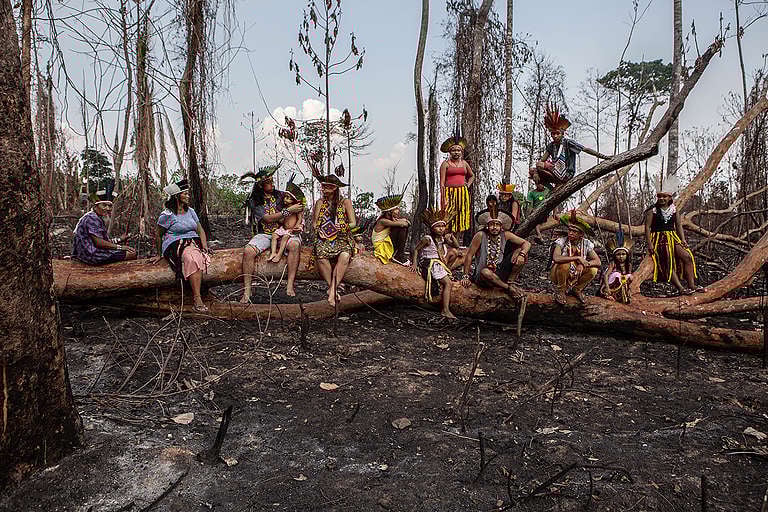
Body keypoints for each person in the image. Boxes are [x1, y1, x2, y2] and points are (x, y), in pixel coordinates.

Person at [461, 206, 529, 335]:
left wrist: (522, 254)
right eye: (491, 224)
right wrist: (465, 275)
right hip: (483, 275)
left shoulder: (506, 235)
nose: (494, 227)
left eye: (497, 224)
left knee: (520, 251)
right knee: (486, 272)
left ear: (501, 226)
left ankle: (511, 282)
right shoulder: (480, 235)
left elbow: (527, 243)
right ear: (487, 226)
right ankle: (508, 288)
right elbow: (469, 256)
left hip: (499, 272)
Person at [240, 165, 304, 301]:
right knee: (248, 251)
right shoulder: (254, 200)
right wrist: (289, 211)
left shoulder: (281, 195)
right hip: (265, 234)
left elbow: (298, 203)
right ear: (261, 185)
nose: (272, 184)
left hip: (285, 232)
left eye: (272, 181)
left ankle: (290, 285)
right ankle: (247, 291)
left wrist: (298, 224)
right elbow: (267, 219)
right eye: (269, 182)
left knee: (295, 246)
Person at [156, 179, 212, 312]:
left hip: (192, 241)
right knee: (192, 259)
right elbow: (159, 235)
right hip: (175, 243)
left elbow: (200, 230)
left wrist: (204, 246)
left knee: (196, 255)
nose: (188, 196)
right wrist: (159, 254)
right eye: (185, 193)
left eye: (188, 193)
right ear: (177, 196)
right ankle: (197, 298)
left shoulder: (190, 211)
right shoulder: (167, 215)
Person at [644, 174, 703, 295]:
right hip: (659, 238)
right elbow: (647, 227)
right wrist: (649, 244)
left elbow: (678, 225)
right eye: (659, 196)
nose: (662, 199)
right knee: (667, 261)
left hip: (672, 236)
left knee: (687, 256)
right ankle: (681, 288)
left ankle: (691, 285)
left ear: (670, 197)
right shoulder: (652, 211)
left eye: (664, 196)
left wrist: (683, 240)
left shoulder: (674, 209)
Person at [529, 104, 611, 190]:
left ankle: (559, 185)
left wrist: (604, 157)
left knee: (540, 167)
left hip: (567, 174)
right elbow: (541, 161)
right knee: (533, 170)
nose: (555, 136)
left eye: (557, 133)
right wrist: (536, 172)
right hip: (555, 173)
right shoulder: (551, 145)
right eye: (553, 134)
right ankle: (553, 190)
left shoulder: (568, 142)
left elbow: (585, 149)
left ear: (562, 133)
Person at [312, 173, 358, 306]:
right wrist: (319, 230)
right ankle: (332, 287)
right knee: (320, 255)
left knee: (344, 256)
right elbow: (314, 223)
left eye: (326, 187)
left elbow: (353, 223)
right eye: (323, 186)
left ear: (334, 188)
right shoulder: (320, 203)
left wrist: (342, 226)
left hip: (342, 237)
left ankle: (332, 291)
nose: (323, 189)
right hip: (324, 238)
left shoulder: (345, 202)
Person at [411, 207, 459, 319]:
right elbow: (416, 250)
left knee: (455, 252)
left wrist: (451, 236)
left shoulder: (442, 238)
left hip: (439, 262)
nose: (441, 229)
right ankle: (445, 310)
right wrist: (414, 263)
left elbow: (456, 245)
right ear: (432, 228)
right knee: (448, 284)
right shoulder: (427, 239)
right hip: (430, 263)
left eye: (443, 226)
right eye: (438, 226)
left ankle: (446, 272)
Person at [72, 187, 137, 265]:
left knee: (129, 252)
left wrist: (119, 239)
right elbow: (99, 243)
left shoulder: (96, 217)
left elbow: (102, 240)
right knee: (132, 254)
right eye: (104, 205)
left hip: (88, 253)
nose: (107, 208)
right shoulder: (92, 218)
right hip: (91, 255)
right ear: (96, 206)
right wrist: (120, 247)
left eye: (109, 206)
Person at [550, 211, 601, 305]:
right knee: (565, 264)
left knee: (593, 270)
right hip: (559, 273)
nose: (570, 233)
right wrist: (577, 258)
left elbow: (598, 262)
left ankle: (577, 289)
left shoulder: (586, 243)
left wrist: (583, 264)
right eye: (570, 230)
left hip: (576, 273)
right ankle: (561, 290)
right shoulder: (561, 241)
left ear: (581, 234)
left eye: (574, 231)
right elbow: (556, 258)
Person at [439, 133, 474, 240]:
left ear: (461, 152)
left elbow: (472, 176)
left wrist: (467, 185)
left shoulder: (464, 164)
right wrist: (444, 197)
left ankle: (457, 241)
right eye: (454, 150)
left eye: (458, 150)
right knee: (449, 216)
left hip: (462, 193)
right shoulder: (445, 164)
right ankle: (446, 240)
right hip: (449, 193)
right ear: (449, 152)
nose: (456, 152)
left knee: (461, 216)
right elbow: (442, 182)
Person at [268, 175, 306, 263]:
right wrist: (282, 217)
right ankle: (273, 252)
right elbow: (281, 221)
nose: (285, 199)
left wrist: (295, 228)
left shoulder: (297, 209)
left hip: (291, 230)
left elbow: (300, 219)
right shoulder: (284, 209)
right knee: (274, 235)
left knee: (285, 237)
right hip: (284, 229)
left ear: (294, 200)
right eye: (285, 197)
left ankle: (279, 254)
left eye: (288, 198)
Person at [372, 190, 411, 265]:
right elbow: (404, 224)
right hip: (381, 248)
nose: (398, 211)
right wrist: (403, 222)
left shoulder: (390, 220)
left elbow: (407, 222)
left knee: (401, 227)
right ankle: (399, 255)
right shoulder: (383, 221)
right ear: (389, 211)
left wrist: (403, 221)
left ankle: (399, 254)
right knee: (401, 228)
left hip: (386, 245)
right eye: (396, 209)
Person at [601, 231, 633, 304]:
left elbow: (627, 277)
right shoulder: (613, 264)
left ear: (627, 255)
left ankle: (623, 295)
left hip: (622, 284)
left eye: (623, 254)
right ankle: (610, 294)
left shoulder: (628, 265)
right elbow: (606, 275)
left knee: (629, 276)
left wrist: (628, 289)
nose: (621, 256)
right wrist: (607, 288)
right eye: (618, 254)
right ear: (615, 256)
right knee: (617, 275)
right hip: (612, 285)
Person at [527, 179, 551, 244]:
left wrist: (555, 212)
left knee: (538, 221)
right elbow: (530, 205)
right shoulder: (531, 193)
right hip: (536, 212)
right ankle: (539, 236)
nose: (540, 185)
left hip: (545, 211)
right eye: (538, 184)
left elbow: (554, 200)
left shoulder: (548, 191)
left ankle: (540, 236)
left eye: (541, 183)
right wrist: (529, 214)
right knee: (536, 221)